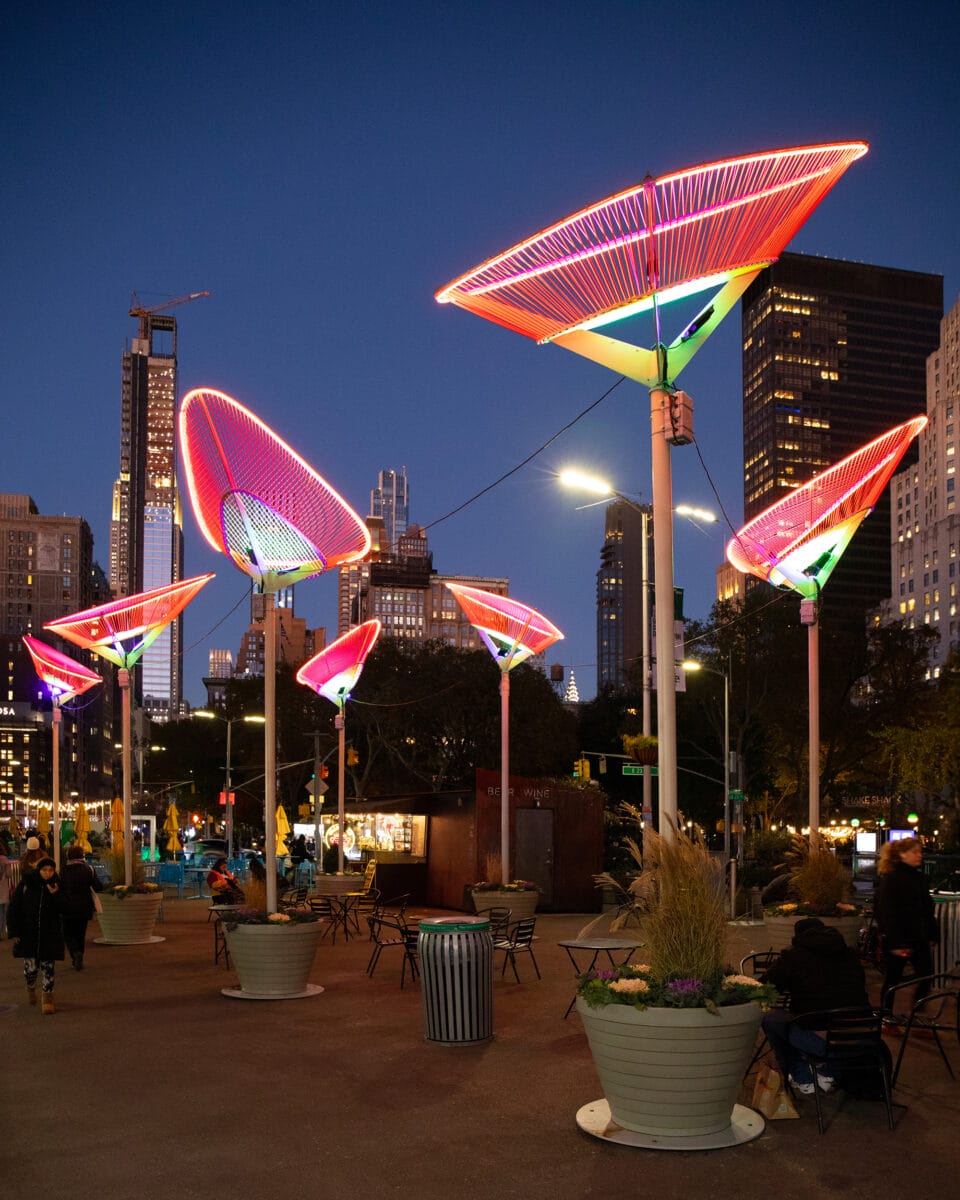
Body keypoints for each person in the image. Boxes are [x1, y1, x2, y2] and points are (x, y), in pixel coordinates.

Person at [761, 916, 869, 1094]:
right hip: (863, 1038)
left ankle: (802, 1077)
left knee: (772, 1020)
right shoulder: (850, 955)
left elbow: (766, 988)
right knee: (822, 1020)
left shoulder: (793, 956)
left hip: (822, 1042)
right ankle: (828, 1073)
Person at [874, 836, 938, 1012]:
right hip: (899, 937)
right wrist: (895, 942)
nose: (919, 856)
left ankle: (916, 1014)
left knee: (926, 975)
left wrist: (932, 933)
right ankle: (886, 1016)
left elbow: (926, 908)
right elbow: (886, 912)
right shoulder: (892, 878)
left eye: (920, 852)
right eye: (914, 852)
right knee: (893, 978)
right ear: (902, 854)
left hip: (918, 936)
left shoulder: (918, 878)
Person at [7, 856, 65, 1014]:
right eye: (44, 870)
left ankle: (47, 1000)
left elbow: (64, 909)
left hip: (49, 934)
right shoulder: (26, 884)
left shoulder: (57, 885)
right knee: (31, 969)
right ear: (38, 870)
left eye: (50, 870)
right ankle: (31, 986)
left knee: (48, 968)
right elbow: (13, 907)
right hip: (28, 934)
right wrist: (13, 931)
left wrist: (55, 895)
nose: (47, 873)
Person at [59, 844, 102, 970]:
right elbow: (98, 886)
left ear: (69, 856)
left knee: (67, 933)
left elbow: (60, 888)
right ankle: (79, 955)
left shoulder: (64, 871)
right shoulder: (89, 869)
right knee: (80, 933)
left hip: (68, 906)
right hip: (85, 906)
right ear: (82, 856)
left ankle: (75, 953)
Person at [0, 851, 12, 938]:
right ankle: (1, 931)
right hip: (2, 889)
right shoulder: (4, 859)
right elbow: (9, 874)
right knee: (3, 911)